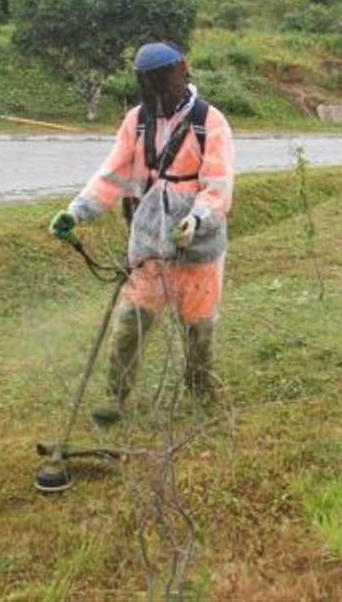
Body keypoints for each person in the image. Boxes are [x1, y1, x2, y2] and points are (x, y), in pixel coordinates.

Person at [49, 42, 235, 424]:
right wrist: (78, 212)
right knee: (131, 319)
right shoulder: (137, 120)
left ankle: (201, 393)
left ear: (182, 72)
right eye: (149, 88)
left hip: (197, 246)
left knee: (198, 327)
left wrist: (198, 219)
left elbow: (218, 185)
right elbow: (113, 172)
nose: (158, 96)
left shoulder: (209, 122)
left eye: (162, 86)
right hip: (150, 243)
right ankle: (116, 397)